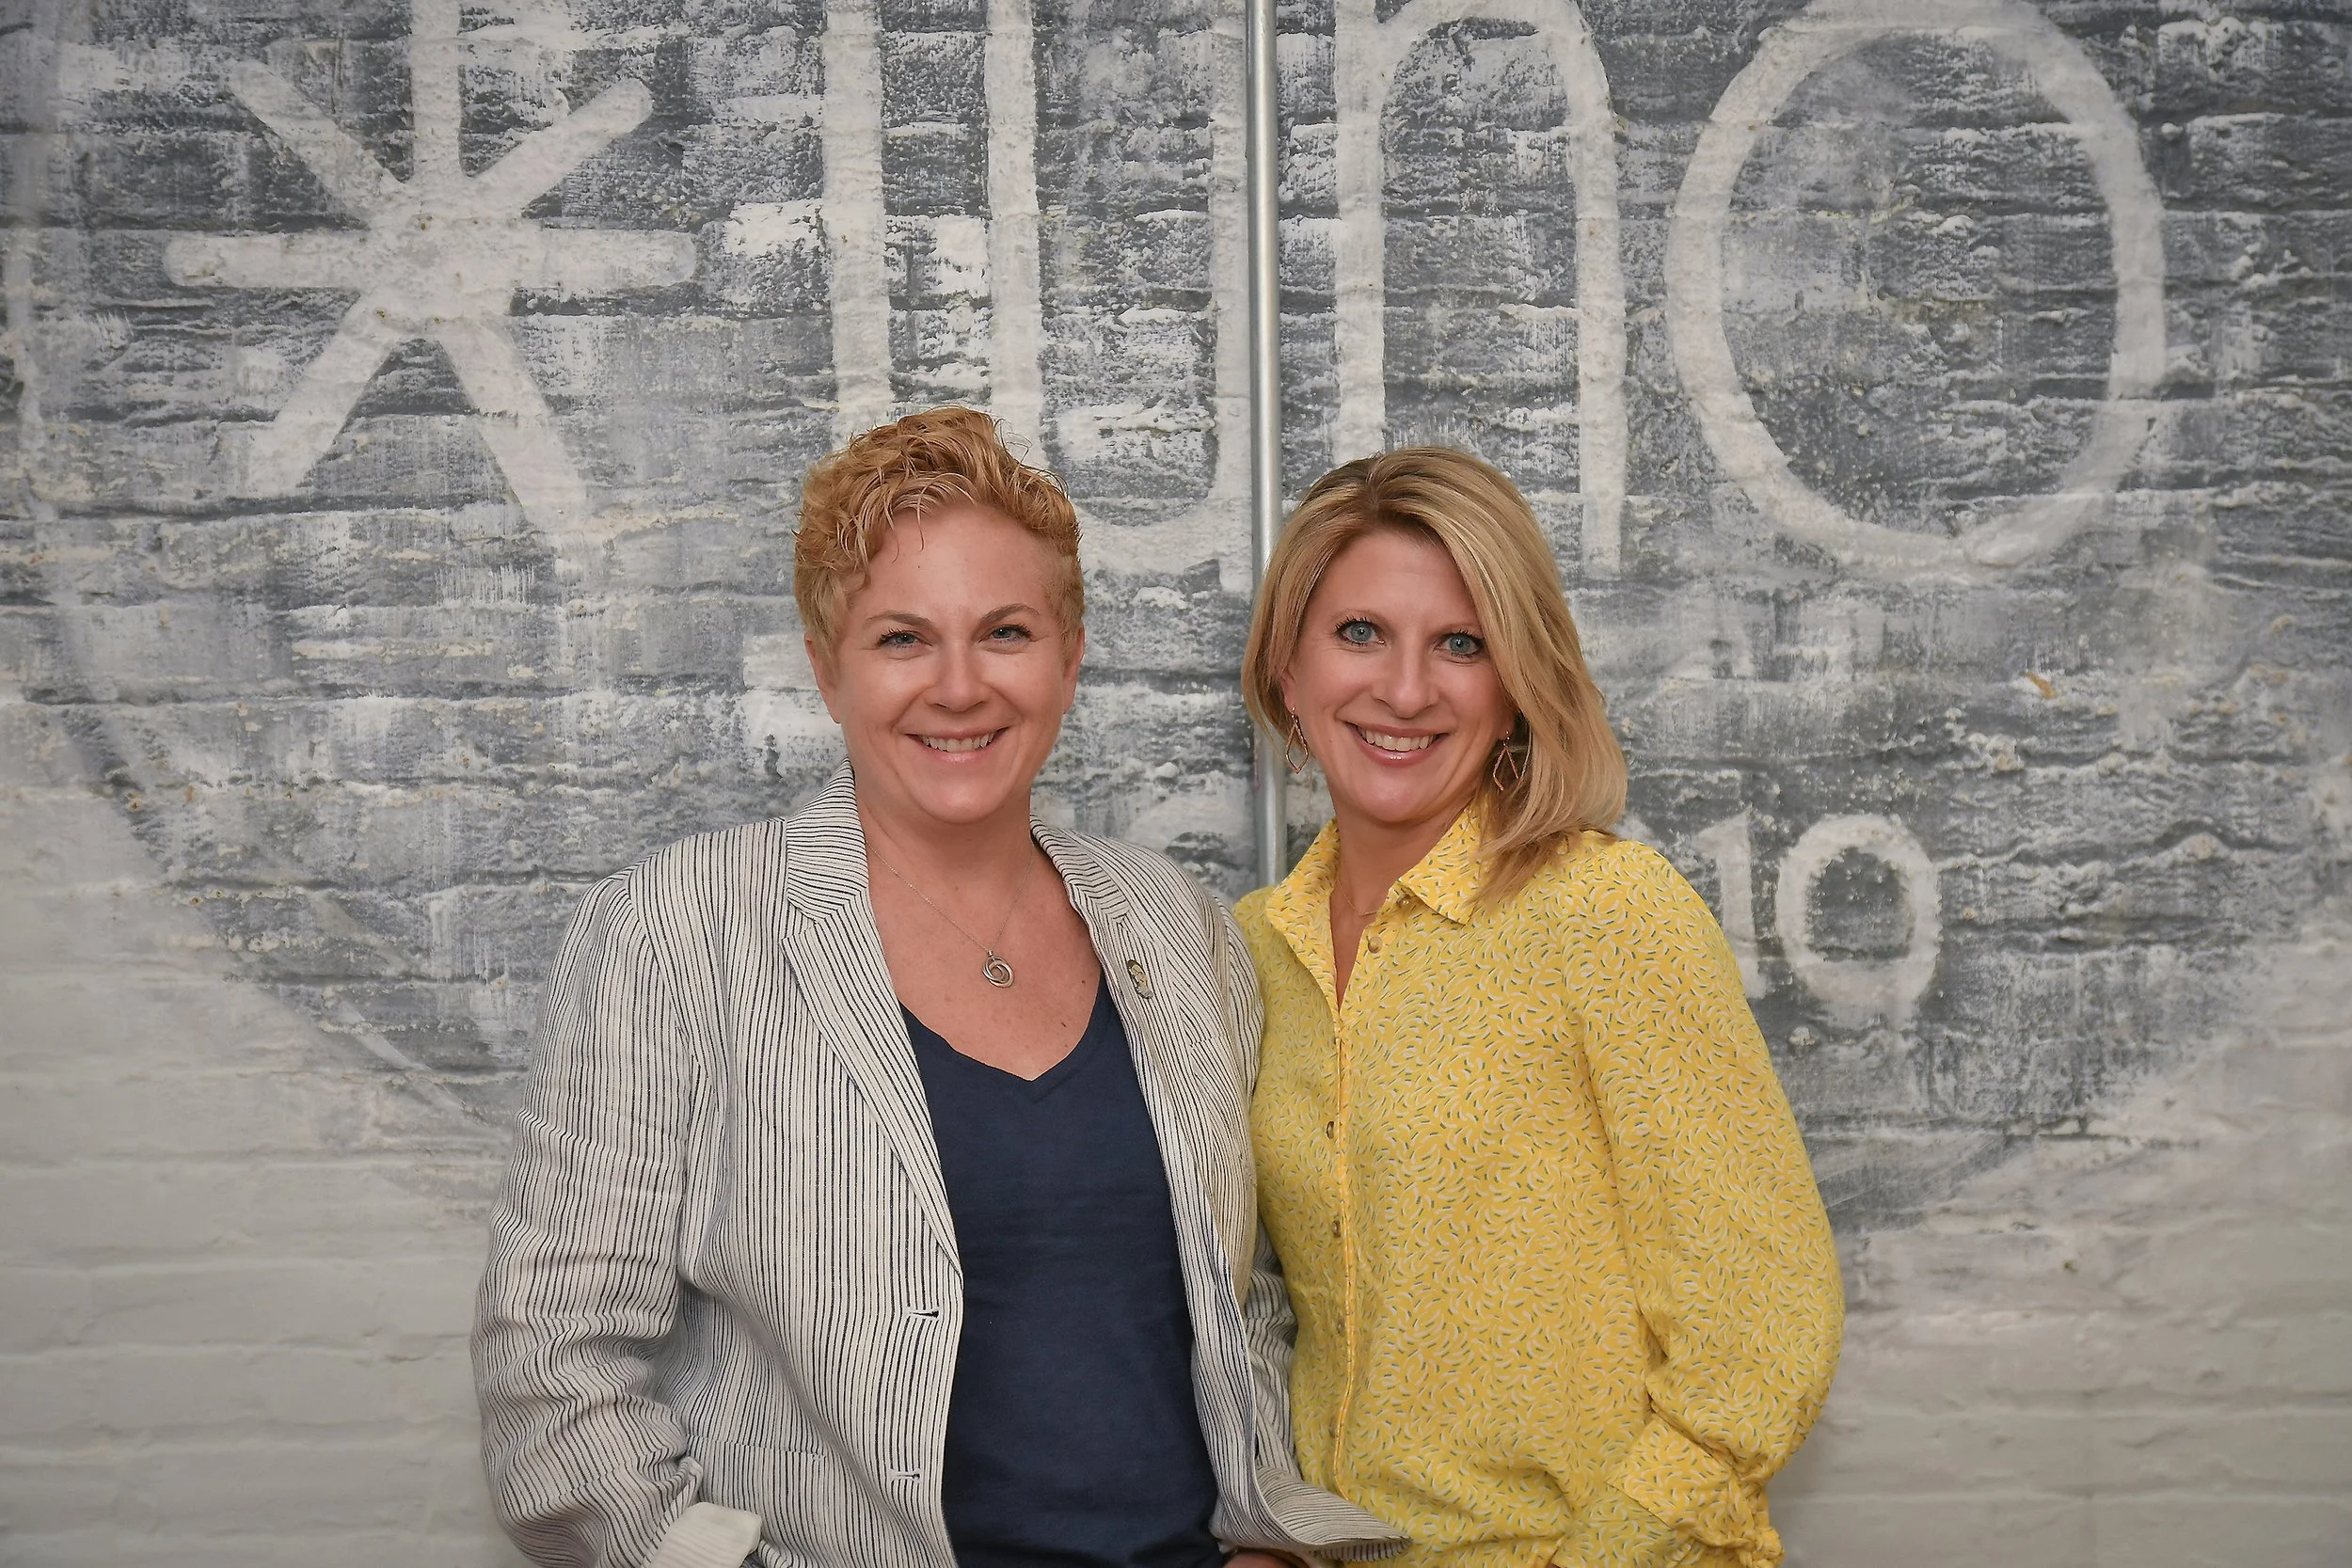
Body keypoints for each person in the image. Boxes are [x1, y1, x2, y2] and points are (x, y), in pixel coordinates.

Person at [474, 408, 1405, 1568]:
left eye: (1004, 631)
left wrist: (1263, 1537)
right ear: (828, 670)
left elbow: (1242, 1297)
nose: (959, 687)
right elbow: (551, 1361)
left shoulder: (1179, 925)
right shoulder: (677, 931)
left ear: (1069, 658)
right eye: (902, 638)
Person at [1234, 448, 1843, 1568]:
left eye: (1460, 644)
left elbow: (1762, 1334)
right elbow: (1261, 1313)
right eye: (1360, 632)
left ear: (1515, 683)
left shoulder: (1607, 913)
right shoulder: (1250, 950)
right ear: (1286, 668)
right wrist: (1269, 1526)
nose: (1405, 689)